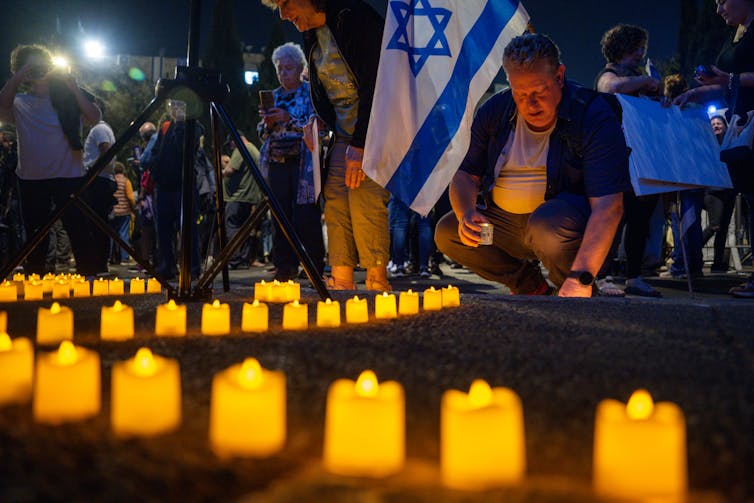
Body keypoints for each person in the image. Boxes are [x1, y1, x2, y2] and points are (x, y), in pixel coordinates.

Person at [434, 33, 630, 297]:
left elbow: (608, 206)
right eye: (520, 93)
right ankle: (529, 286)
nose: (530, 103)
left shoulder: (591, 115)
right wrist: (466, 212)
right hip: (505, 227)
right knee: (449, 232)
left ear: (559, 76)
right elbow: (466, 174)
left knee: (547, 225)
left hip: (561, 225)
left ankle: (572, 288)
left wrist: (580, 277)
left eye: (539, 91)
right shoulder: (495, 111)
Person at [262, 0, 391, 291]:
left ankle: (376, 281)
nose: (283, 16)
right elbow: (324, 91)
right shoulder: (310, 32)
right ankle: (342, 280)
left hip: (373, 128)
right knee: (334, 199)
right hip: (342, 133)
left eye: (284, 3)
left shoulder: (353, 17)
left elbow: (376, 82)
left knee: (364, 197)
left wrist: (360, 144)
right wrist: (318, 124)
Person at [673, 0, 754, 297]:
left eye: (722, 0)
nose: (718, 9)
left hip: (749, 123)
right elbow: (727, 86)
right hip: (741, 125)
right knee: (749, 196)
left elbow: (732, 81)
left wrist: (729, 78)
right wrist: (694, 92)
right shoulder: (737, 34)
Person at [0, 44, 101, 276]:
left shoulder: (69, 98)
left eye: (42, 64)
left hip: (70, 174)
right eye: (32, 66)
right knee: (35, 232)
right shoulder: (19, 101)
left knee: (77, 226)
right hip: (32, 177)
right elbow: (1, 105)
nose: (40, 70)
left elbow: (95, 117)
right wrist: (20, 74)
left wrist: (72, 86)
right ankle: (35, 277)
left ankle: (89, 275)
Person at [596, 24, 663, 297]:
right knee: (615, 216)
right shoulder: (610, 72)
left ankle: (634, 276)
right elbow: (610, 89)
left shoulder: (639, 75)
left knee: (640, 218)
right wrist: (645, 83)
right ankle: (601, 275)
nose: (640, 52)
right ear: (622, 47)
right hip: (618, 156)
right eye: (636, 46)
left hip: (643, 155)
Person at [258, 42, 325, 281]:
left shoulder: (309, 93)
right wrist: (266, 125)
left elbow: (316, 125)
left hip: (302, 164)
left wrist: (289, 118)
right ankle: (284, 266)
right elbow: (261, 133)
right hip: (277, 162)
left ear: (299, 69)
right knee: (280, 216)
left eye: (288, 68)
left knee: (306, 215)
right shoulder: (274, 96)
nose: (283, 73)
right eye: (280, 68)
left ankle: (312, 264)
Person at [82, 103, 118, 274]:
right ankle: (99, 263)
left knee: (95, 224)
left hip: (98, 181)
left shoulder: (99, 130)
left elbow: (105, 150)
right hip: (101, 180)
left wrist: (91, 170)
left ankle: (98, 264)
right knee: (98, 224)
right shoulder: (104, 129)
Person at [221, 131, 263, 270]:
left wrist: (222, 167)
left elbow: (230, 170)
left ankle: (234, 259)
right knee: (244, 229)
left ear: (235, 140)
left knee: (232, 226)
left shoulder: (241, 149)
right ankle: (243, 259)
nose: (231, 147)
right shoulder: (253, 149)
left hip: (238, 196)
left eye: (231, 144)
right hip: (250, 196)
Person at [110, 162, 136, 265]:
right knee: (123, 234)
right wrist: (133, 208)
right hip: (124, 212)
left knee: (111, 235)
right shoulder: (126, 181)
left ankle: (110, 257)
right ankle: (124, 257)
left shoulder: (111, 180)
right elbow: (130, 197)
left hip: (113, 212)